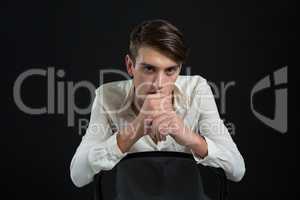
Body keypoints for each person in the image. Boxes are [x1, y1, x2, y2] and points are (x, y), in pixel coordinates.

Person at [70, 19, 245, 187]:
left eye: (170, 70)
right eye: (149, 68)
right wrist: (135, 129)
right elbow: (78, 176)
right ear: (130, 65)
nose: (159, 83)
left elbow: (237, 170)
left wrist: (187, 135)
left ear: (180, 68)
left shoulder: (197, 89)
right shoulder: (106, 97)